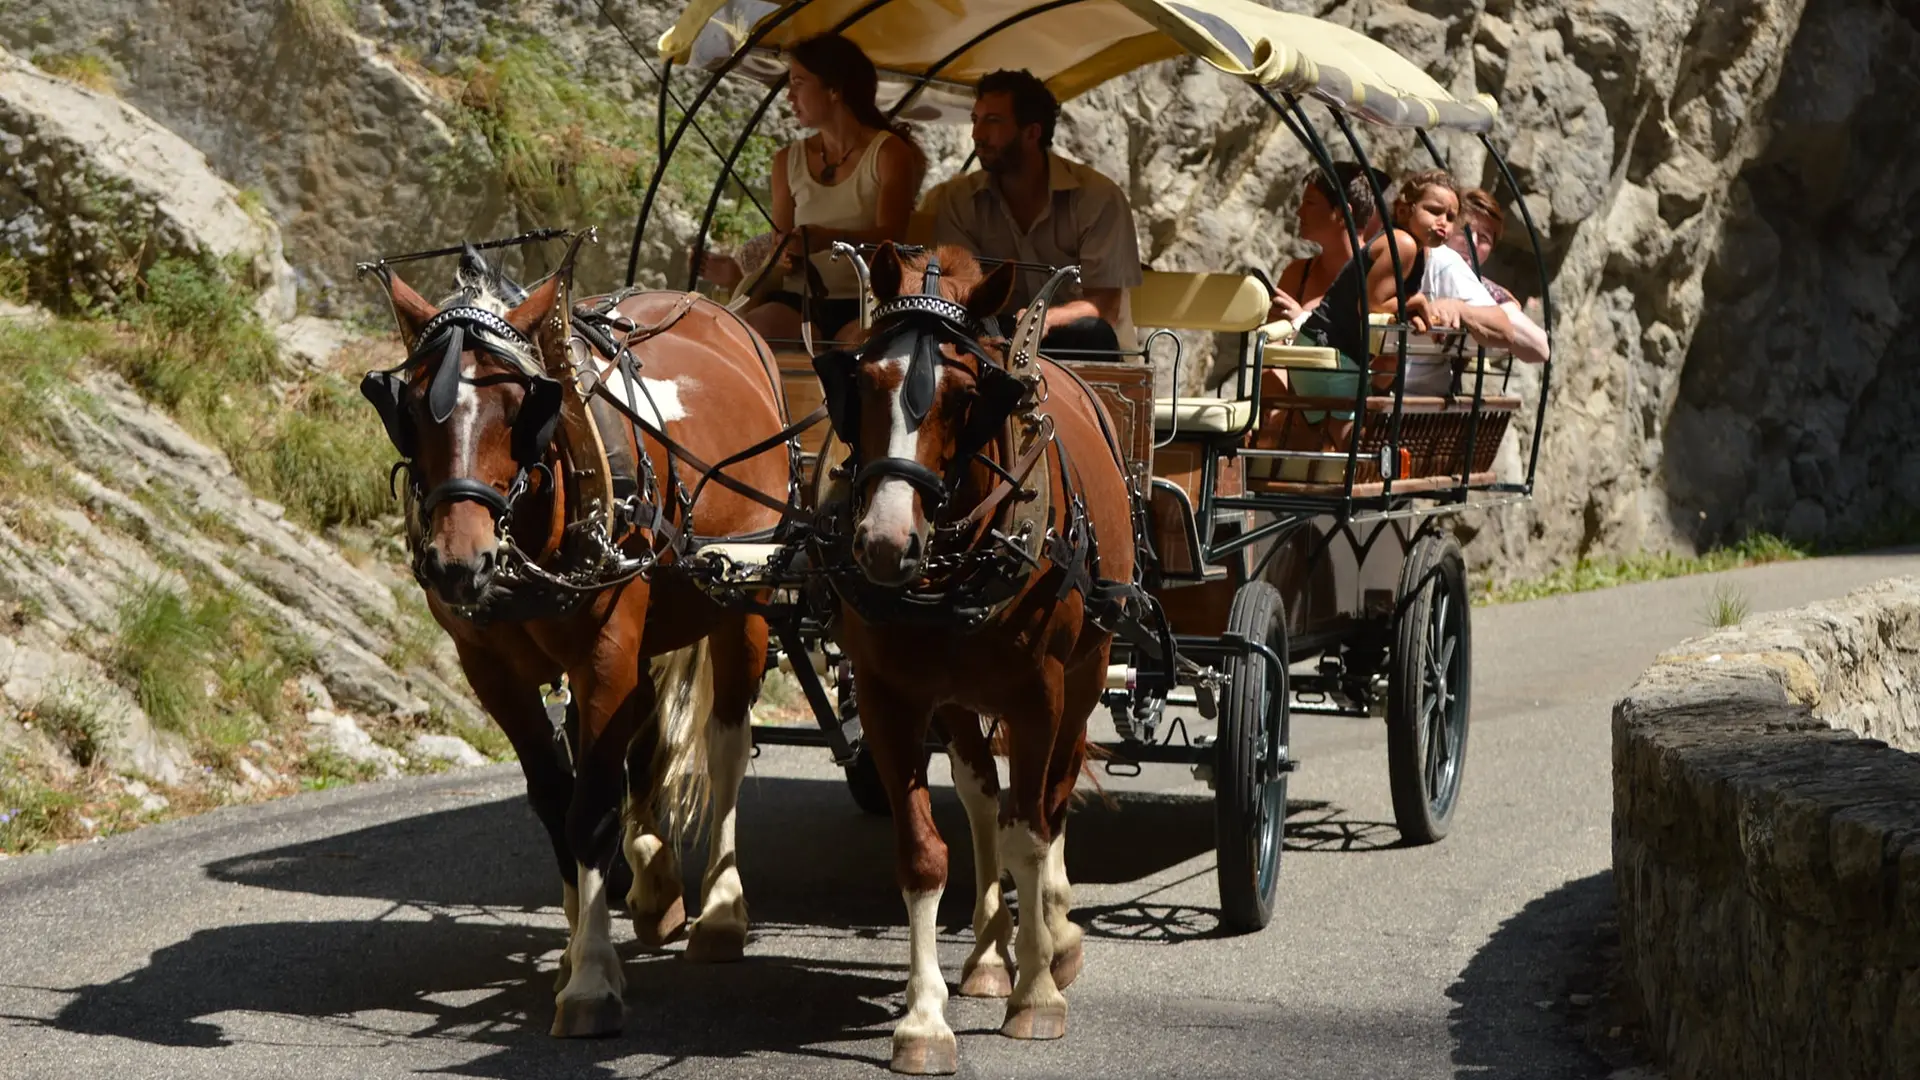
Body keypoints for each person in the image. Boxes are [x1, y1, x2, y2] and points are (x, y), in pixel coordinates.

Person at [693, 33, 927, 343]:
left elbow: (892, 242)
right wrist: (784, 252)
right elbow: (780, 247)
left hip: (866, 301)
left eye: (798, 83)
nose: (789, 96)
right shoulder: (787, 161)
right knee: (755, 331)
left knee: (861, 345)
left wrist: (826, 239)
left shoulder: (889, 152)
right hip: (800, 300)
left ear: (834, 89)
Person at [922, 69, 1142, 360]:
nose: (977, 134)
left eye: (993, 121)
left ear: (1032, 133)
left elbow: (1104, 306)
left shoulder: (1097, 199)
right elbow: (960, 291)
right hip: (997, 349)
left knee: (1092, 330)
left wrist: (1042, 319)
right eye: (975, 120)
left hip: (1085, 353)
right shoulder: (959, 200)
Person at [1447, 187, 1550, 364]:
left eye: (1484, 238)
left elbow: (1540, 348)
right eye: (1464, 230)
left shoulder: (1485, 290)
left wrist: (1463, 311)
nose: (1472, 242)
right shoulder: (1415, 264)